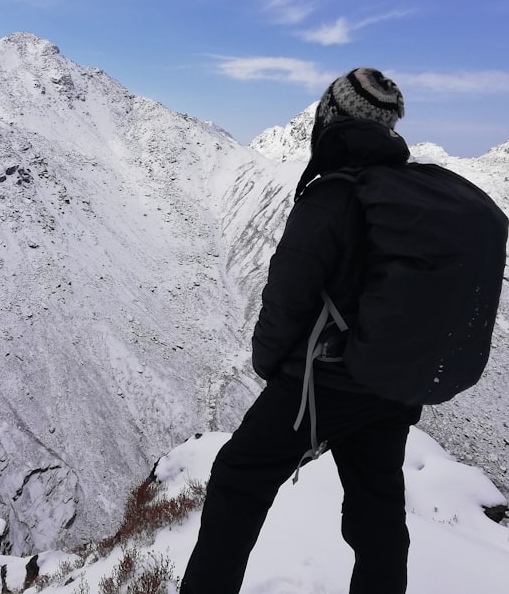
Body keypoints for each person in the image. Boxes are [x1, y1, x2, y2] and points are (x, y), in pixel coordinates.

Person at [180, 68, 423, 594]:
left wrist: (270, 365)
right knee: (377, 507)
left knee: (238, 479)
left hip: (327, 382)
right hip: (390, 383)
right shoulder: (406, 194)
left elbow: (288, 297)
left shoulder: (331, 197)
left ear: (330, 119)